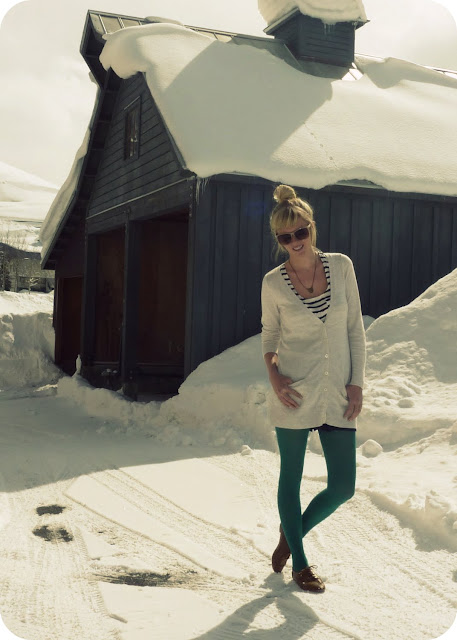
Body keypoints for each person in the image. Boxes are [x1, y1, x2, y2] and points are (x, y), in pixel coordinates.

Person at [261, 184, 366, 593]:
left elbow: (355, 329)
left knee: (343, 487)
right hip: (292, 391)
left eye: (300, 232)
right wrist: (274, 376)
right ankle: (301, 566)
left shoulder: (341, 267)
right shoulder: (273, 282)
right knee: (291, 477)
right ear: (279, 240)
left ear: (312, 227)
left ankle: (291, 534)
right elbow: (270, 336)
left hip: (337, 390)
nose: (295, 242)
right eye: (285, 237)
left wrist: (356, 383)